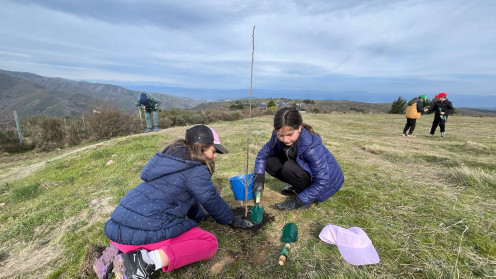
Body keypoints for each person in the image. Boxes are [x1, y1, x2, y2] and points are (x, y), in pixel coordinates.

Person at [94, 125, 253, 279]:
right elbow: (209, 198)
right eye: (213, 150)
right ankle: (143, 262)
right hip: (138, 232)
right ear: (202, 149)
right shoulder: (196, 170)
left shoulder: (171, 161)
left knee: (142, 232)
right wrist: (230, 219)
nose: (215, 155)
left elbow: (188, 198)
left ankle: (110, 256)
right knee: (209, 242)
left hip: (118, 227)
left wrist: (199, 216)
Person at [252, 107, 344, 210]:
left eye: (290, 134)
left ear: (299, 128)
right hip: (303, 171)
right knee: (269, 162)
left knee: (289, 167)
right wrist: (258, 180)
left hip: (328, 184)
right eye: (280, 135)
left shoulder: (311, 147)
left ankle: (306, 196)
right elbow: (262, 156)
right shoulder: (276, 137)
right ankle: (298, 187)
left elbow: (323, 181)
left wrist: (297, 202)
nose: (285, 140)